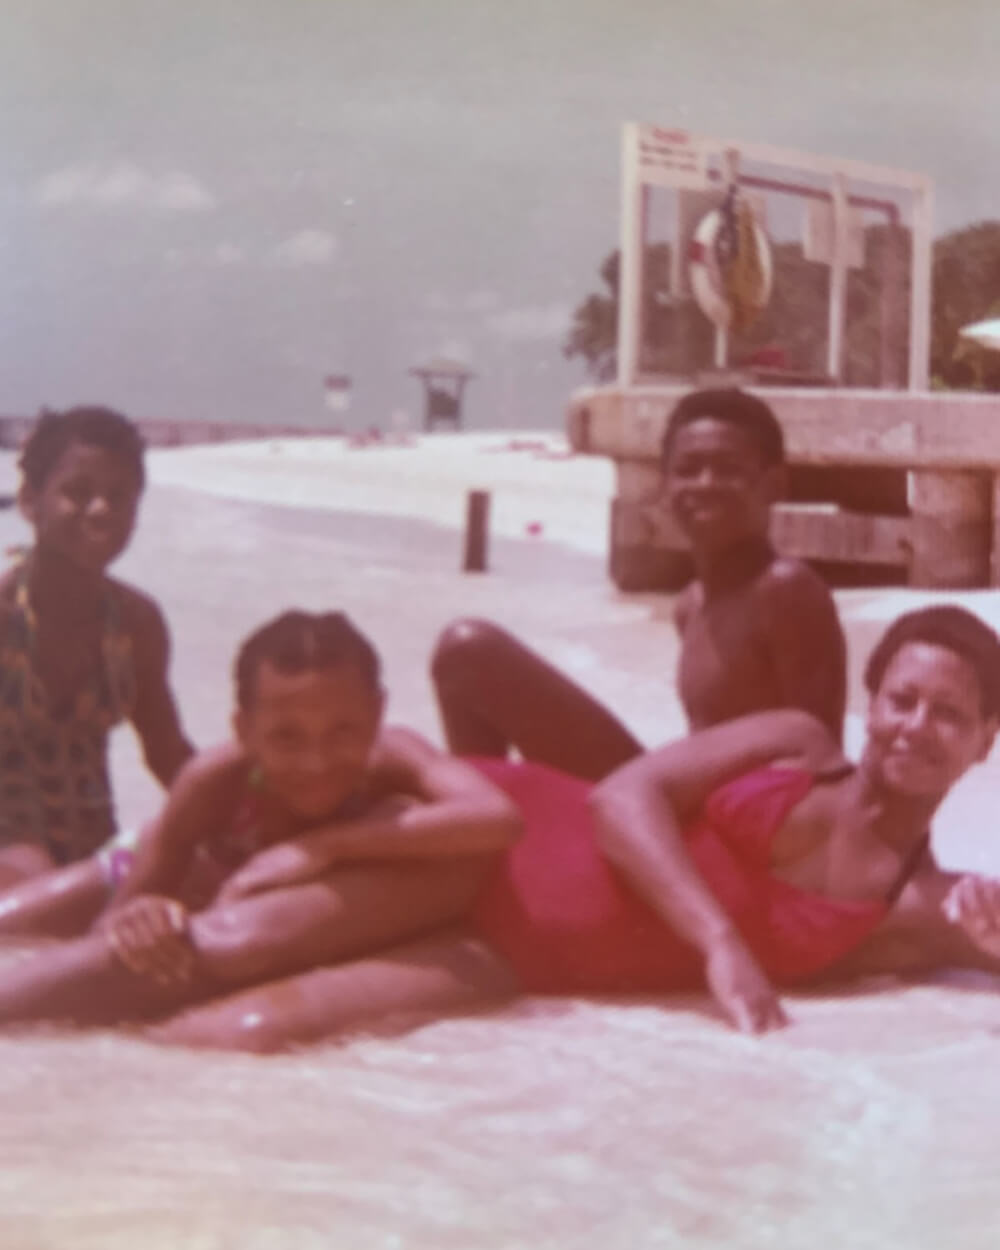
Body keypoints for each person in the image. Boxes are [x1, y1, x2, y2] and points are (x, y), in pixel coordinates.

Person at [0, 605, 998, 1051]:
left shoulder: (917, 899)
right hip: (487, 846)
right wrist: (721, 943)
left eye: (948, 714)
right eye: (902, 698)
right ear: (870, 701)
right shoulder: (794, 742)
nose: (916, 726)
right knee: (221, 943)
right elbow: (621, 796)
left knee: (242, 1032)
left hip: (506, 960)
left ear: (984, 742)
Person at [0, 609, 522, 1016]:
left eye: (343, 732)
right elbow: (110, 932)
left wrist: (324, 845)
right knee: (13, 928)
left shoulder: (396, 758)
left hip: (231, 898)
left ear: (378, 712)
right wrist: (139, 917)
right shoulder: (213, 782)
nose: (316, 761)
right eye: (285, 737)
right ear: (244, 730)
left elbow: (497, 818)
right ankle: (24, 863)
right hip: (143, 860)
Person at [431, 388, 846, 782]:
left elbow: (822, 758)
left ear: (775, 484)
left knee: (469, 647)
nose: (705, 483)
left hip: (742, 827)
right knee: (462, 657)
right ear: (666, 485)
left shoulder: (785, 590)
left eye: (729, 469)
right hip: (687, 804)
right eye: (687, 470)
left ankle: (476, 837)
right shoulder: (692, 605)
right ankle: (479, 827)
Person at [0, 406, 193, 888]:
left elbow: (167, 753)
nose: (102, 510)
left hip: (91, 859)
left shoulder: (134, 625)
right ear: (30, 502)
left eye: (120, 497)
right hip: (10, 856)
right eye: (77, 493)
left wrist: (245, 810)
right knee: (30, 874)